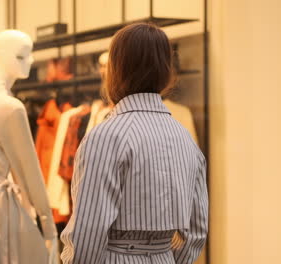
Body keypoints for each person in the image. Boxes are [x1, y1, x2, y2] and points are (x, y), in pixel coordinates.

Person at [60, 23, 208, 264]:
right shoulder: (185, 139)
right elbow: (196, 231)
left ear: (115, 70)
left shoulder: (105, 137)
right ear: (167, 71)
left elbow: (88, 233)